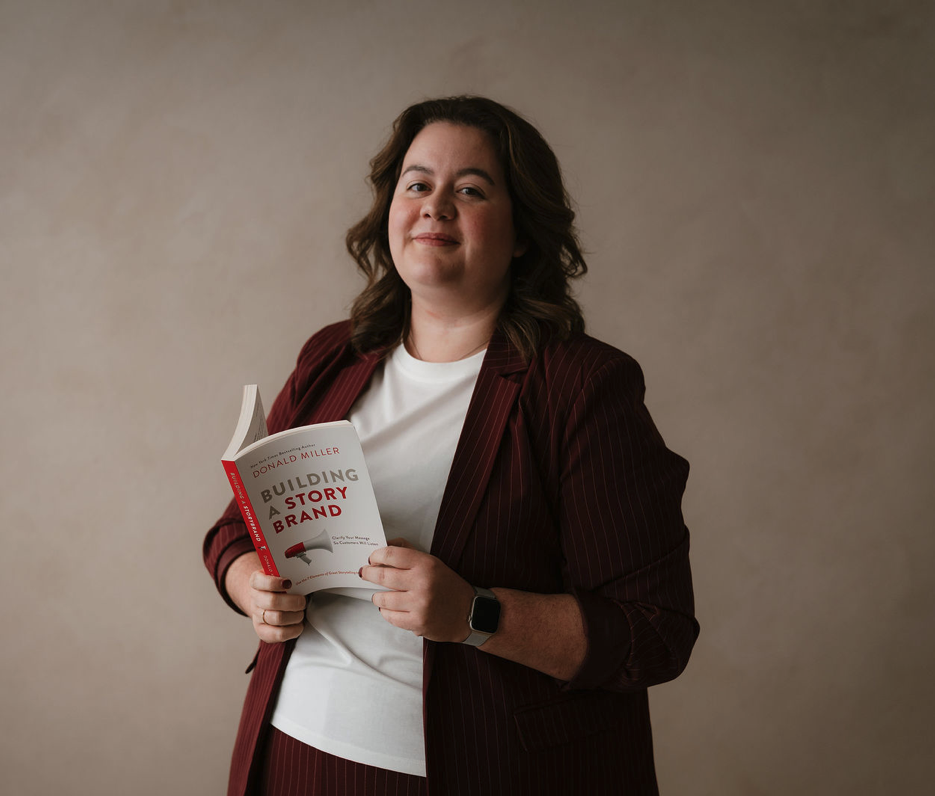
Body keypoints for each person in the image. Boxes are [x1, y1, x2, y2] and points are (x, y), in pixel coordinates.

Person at [203, 95, 698, 796]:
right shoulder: (332, 357)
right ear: (391, 211)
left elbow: (654, 632)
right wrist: (250, 584)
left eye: (470, 189)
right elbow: (235, 530)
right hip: (291, 750)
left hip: (475, 771)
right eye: (417, 184)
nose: (435, 206)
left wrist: (475, 614)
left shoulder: (581, 388)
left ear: (521, 230)